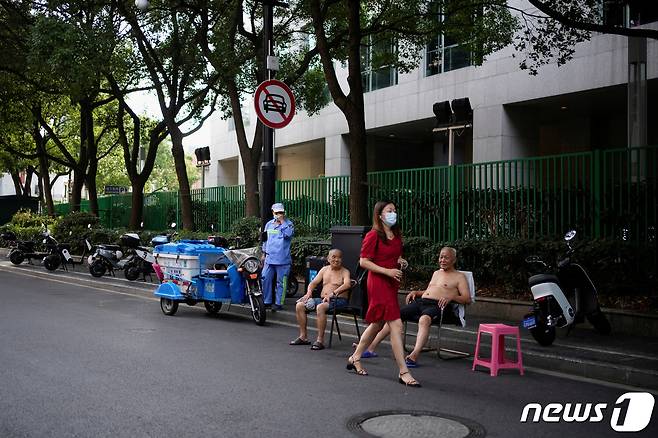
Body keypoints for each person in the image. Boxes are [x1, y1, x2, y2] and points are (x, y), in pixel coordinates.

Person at [356, 247, 471, 368]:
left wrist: (452, 297)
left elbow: (467, 299)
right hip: (422, 302)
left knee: (424, 319)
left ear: (454, 260)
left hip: (439, 306)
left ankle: (414, 355)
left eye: (446, 257)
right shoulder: (436, 273)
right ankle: (371, 348)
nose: (442, 260)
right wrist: (416, 292)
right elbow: (430, 291)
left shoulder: (459, 276)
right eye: (441, 257)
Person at [347, 201, 420, 387]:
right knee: (396, 325)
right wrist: (387, 271)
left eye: (395, 210)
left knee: (377, 324)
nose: (393, 213)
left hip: (391, 283)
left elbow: (394, 256)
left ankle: (355, 357)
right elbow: (364, 261)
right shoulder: (373, 235)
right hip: (379, 282)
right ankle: (404, 371)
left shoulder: (396, 235)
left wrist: (401, 261)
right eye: (389, 211)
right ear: (380, 215)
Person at [289, 249, 351, 350]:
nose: (336, 259)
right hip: (323, 299)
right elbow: (313, 283)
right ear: (328, 258)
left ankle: (320, 340)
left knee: (320, 307)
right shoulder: (324, 270)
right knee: (300, 305)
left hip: (338, 300)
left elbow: (347, 284)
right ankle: (303, 337)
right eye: (333, 257)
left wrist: (333, 294)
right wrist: (309, 292)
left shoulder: (345, 271)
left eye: (339, 257)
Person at [261, 203, 294, 311]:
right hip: (269, 258)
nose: (279, 215)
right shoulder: (268, 224)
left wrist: (283, 222)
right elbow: (265, 240)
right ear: (273, 212)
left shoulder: (288, 224)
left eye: (281, 212)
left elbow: (289, 234)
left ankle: (279, 303)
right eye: (277, 213)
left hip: (283, 259)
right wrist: (263, 253)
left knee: (281, 282)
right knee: (265, 278)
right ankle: (267, 301)